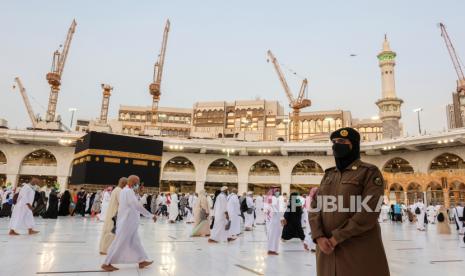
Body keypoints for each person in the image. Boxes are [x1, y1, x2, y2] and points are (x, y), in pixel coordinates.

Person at [309, 127, 389, 276]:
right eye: (334, 142)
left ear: (353, 145)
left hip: (357, 250)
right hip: (326, 251)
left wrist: (336, 238)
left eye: (341, 141)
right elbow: (314, 207)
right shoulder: (329, 175)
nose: (336, 145)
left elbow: (369, 211)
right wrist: (318, 236)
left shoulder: (368, 172)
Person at [101, 175, 157, 272]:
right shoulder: (127, 191)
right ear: (132, 182)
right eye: (137, 183)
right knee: (119, 242)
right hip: (126, 223)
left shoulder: (126, 191)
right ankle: (106, 263)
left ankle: (141, 260)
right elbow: (136, 205)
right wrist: (150, 215)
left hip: (129, 222)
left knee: (135, 242)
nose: (138, 185)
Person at [99, 177, 127, 255]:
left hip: (111, 213)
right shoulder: (120, 191)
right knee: (111, 232)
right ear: (124, 184)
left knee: (108, 230)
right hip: (115, 214)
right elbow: (122, 203)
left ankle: (104, 248)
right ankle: (105, 250)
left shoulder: (115, 190)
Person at [265, 188, 281, 255]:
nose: (278, 192)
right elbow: (274, 208)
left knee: (273, 234)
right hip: (275, 218)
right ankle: (272, 250)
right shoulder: (274, 198)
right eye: (277, 191)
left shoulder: (271, 198)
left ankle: (272, 249)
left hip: (273, 218)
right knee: (274, 234)